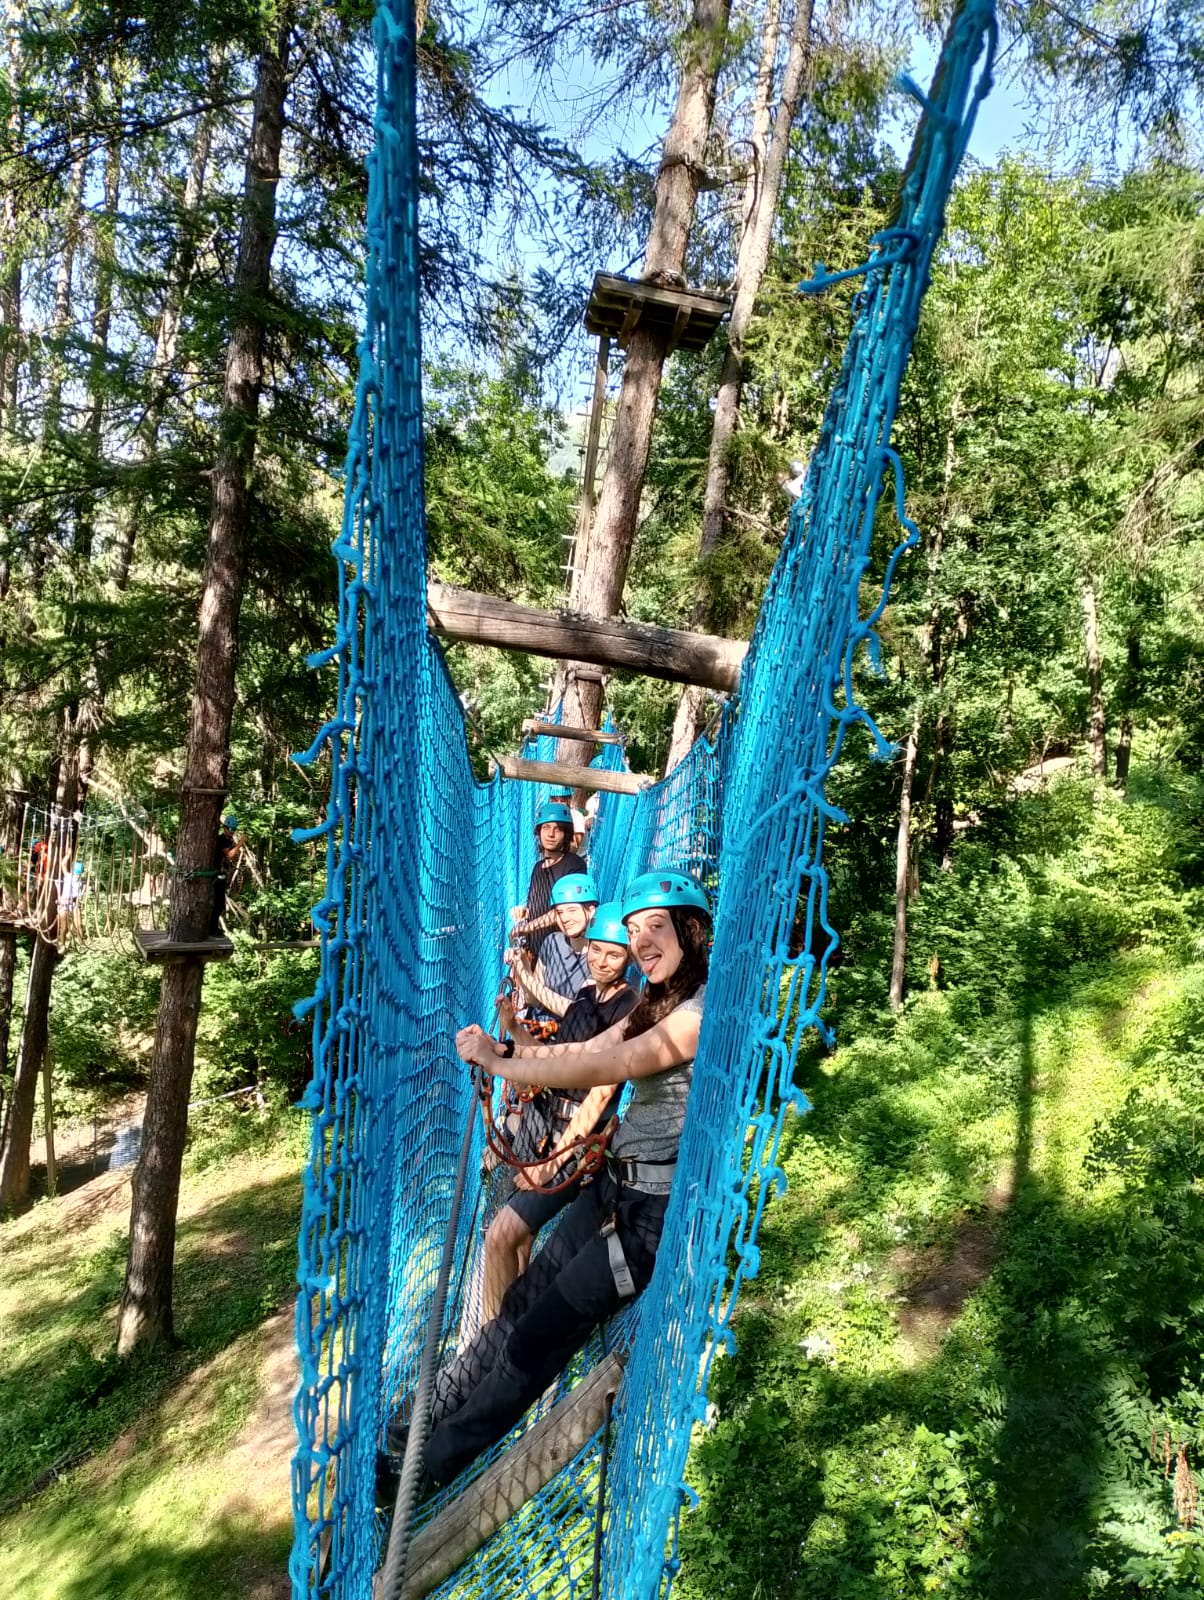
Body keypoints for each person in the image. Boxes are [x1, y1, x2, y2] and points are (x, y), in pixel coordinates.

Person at [377, 869, 711, 1500]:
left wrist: (503, 1062)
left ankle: (427, 1468)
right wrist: (508, 1049)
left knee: (539, 1334)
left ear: (690, 931)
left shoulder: (695, 1015)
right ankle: (432, 1417)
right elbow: (583, 1051)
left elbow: (611, 1065)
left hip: (649, 1222)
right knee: (524, 1298)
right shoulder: (654, 1004)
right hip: (613, 1187)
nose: (641, 942)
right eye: (633, 930)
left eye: (653, 927)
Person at [480, 901, 637, 1322]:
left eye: (615, 953)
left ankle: (489, 1341)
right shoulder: (586, 995)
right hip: (545, 1121)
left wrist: (550, 1167)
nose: (602, 961)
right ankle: (508, 1323)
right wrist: (512, 1031)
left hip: (576, 1138)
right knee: (519, 1238)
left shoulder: (628, 1009)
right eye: (598, 950)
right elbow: (554, 1061)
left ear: (630, 957)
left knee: (500, 1237)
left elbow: (601, 1095)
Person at [507, 873, 598, 1027]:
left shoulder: (600, 954)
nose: (565, 918)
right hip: (538, 1025)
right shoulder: (553, 941)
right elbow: (533, 999)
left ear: (591, 910)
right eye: (559, 912)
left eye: (572, 910)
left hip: (571, 1035)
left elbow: (578, 1012)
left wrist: (528, 980)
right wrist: (522, 966)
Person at [509, 801, 587, 964]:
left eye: (557, 829)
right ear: (538, 832)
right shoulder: (538, 867)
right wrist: (525, 912)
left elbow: (566, 909)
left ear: (566, 834)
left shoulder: (574, 865)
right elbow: (540, 904)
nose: (550, 834)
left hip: (561, 955)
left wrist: (526, 928)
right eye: (546, 827)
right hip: (535, 952)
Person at [212, 813, 240, 934]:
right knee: (217, 904)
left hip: (221, 874)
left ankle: (213, 927)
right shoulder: (223, 839)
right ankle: (212, 929)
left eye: (234, 829)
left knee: (220, 904)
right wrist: (241, 843)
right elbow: (229, 855)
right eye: (230, 829)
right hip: (217, 874)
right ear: (225, 828)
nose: (232, 831)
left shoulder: (228, 840)